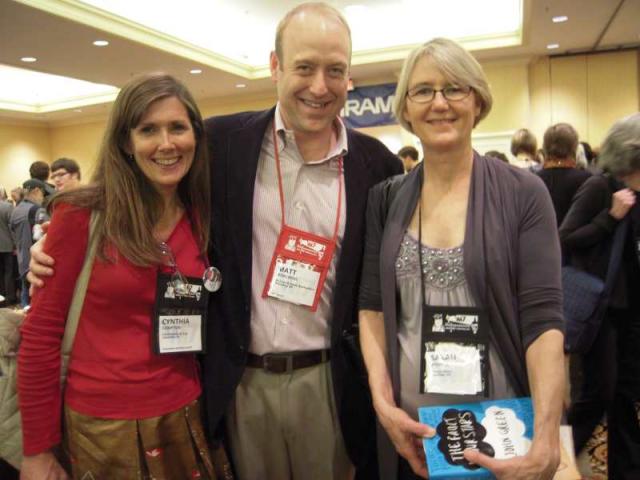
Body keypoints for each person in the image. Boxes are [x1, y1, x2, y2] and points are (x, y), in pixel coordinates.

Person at [29, 3, 402, 479]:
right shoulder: (221, 145)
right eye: (304, 67)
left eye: (336, 70)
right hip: (238, 383)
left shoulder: (379, 166)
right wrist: (53, 250)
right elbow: (145, 187)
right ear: (275, 66)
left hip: (331, 383)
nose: (319, 86)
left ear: (350, 76)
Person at [358, 38, 565, 479]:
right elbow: (372, 307)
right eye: (424, 91)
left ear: (478, 100)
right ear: (407, 108)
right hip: (414, 431)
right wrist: (382, 403)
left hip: (501, 430)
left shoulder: (523, 194)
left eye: (455, 88)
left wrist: (547, 437)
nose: (440, 103)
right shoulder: (385, 200)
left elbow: (543, 321)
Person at [18, 73, 216, 479]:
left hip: (185, 411)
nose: (166, 144)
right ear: (126, 142)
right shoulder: (82, 214)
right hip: (101, 425)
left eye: (177, 127)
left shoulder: (201, 215)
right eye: (148, 130)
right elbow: (40, 337)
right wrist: (36, 451)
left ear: (195, 135)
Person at [560, 112, 640, 478]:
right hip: (601, 310)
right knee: (600, 394)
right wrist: (610, 217)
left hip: (629, 313)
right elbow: (566, 237)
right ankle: (558, 456)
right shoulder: (600, 187)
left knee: (623, 397)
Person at [536, 123, 591, 227]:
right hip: (578, 241)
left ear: (545, 147)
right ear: (574, 147)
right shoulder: (588, 180)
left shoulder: (533, 180)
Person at [9, 179, 47, 309]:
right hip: (35, 262)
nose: (43, 197)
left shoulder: (16, 209)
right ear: (36, 191)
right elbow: (46, 236)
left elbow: (12, 232)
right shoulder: (38, 211)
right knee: (36, 298)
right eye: (43, 193)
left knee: (25, 294)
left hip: (21, 259)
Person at [0, 187, 17, 305]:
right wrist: (15, 244)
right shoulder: (7, 207)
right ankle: (10, 297)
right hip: (7, 245)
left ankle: (1, 297)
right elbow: (12, 227)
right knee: (9, 272)